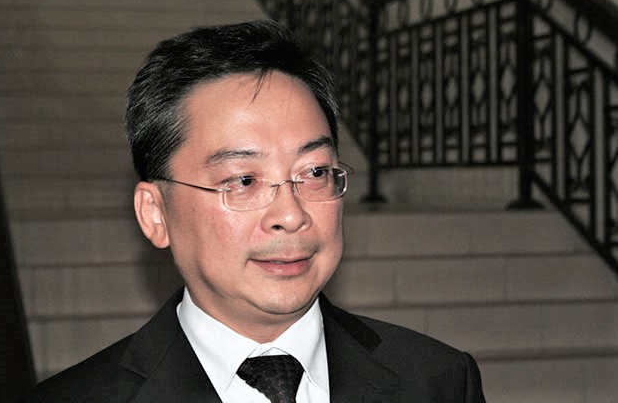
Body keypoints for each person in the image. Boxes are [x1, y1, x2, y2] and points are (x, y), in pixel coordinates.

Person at [24, 20, 485, 402]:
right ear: (155, 214)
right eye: (244, 180)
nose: (291, 214)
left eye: (315, 172)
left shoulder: (439, 380)